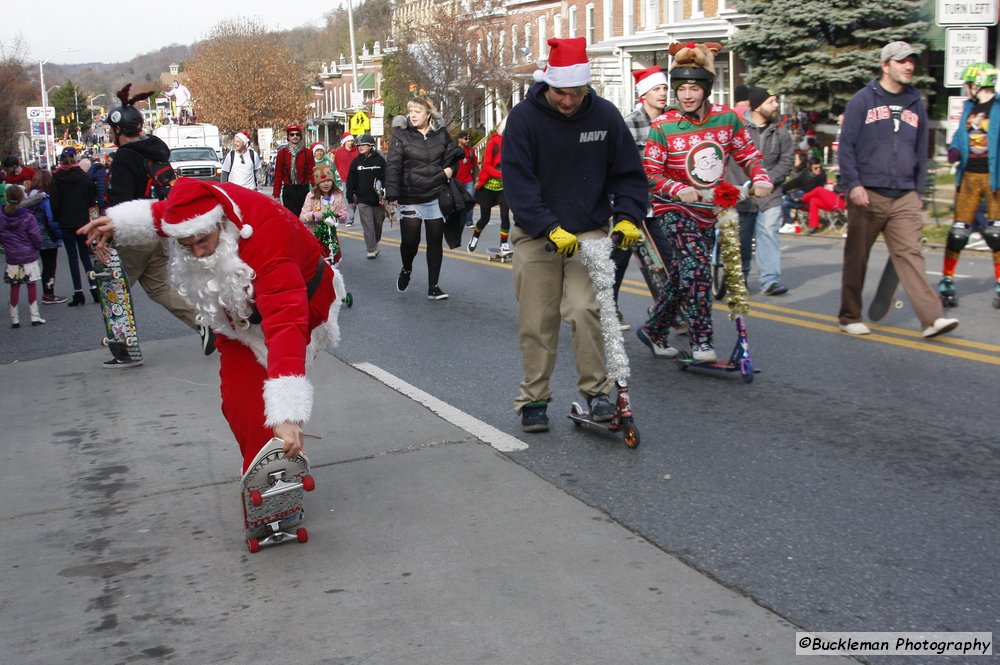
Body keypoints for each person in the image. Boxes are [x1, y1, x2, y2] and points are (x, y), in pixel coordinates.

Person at [80, 178, 344, 473]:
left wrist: (288, 414)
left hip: (304, 304)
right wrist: (117, 224)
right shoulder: (196, 217)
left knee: (273, 410)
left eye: (203, 241)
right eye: (186, 245)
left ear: (222, 222)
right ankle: (268, 468)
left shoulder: (267, 245)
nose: (198, 253)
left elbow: (286, 325)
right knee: (238, 402)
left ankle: (280, 470)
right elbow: (164, 214)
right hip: (237, 316)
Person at [502, 37, 647, 432]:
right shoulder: (523, 119)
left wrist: (628, 215)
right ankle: (534, 398)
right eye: (561, 93)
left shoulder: (604, 116)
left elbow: (629, 175)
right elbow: (519, 184)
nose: (568, 101)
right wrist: (548, 226)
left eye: (576, 93)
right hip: (538, 234)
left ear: (587, 87)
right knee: (538, 319)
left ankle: (597, 392)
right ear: (547, 84)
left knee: (588, 310)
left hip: (589, 231)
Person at [638, 41, 772, 362]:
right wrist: (675, 188)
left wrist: (761, 178)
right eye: (681, 88)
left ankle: (655, 328)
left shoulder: (727, 119)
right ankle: (702, 340)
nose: (686, 94)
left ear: (706, 88)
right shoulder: (663, 126)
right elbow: (650, 173)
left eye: (694, 87)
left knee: (688, 273)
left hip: (710, 209)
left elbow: (748, 154)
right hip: (674, 209)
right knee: (698, 268)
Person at [837, 41, 958, 338]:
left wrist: (917, 191)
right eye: (902, 61)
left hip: (904, 193)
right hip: (868, 193)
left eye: (912, 61)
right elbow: (847, 146)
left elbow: (920, 151)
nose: (909, 66)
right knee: (857, 256)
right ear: (885, 65)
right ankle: (849, 316)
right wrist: (854, 184)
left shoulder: (915, 103)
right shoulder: (863, 100)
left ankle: (932, 318)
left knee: (911, 254)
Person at [104, 84, 210, 365]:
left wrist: (108, 232)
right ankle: (203, 322)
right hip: (157, 229)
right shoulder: (154, 152)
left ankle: (123, 347)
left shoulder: (125, 158)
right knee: (160, 288)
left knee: (115, 289)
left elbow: (121, 201)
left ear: (119, 130)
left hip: (133, 233)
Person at [385, 96, 464, 300]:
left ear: (428, 114)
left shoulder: (441, 133)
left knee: (435, 241)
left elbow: (455, 155)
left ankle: (434, 286)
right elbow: (393, 164)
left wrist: (449, 171)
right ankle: (407, 268)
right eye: (410, 111)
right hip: (410, 195)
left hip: (436, 194)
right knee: (411, 242)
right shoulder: (401, 134)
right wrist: (392, 192)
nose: (412, 115)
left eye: (417, 111)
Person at [613, 65, 671, 330]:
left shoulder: (673, 120)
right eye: (657, 89)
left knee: (668, 259)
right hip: (634, 203)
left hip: (663, 203)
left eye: (664, 88)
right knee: (621, 258)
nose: (662, 93)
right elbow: (622, 165)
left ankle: (669, 310)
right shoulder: (631, 123)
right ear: (643, 94)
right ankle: (609, 308)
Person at [940, 61, 1000, 308]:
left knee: (996, 233)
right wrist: (954, 150)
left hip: (994, 177)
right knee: (958, 232)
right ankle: (947, 280)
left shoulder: (998, 107)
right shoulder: (968, 108)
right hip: (967, 177)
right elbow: (958, 137)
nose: (966, 88)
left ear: (979, 83)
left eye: (968, 84)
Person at [729, 86, 795, 294]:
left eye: (776, 101)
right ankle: (741, 278)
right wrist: (741, 187)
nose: (776, 106)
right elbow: (728, 160)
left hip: (770, 195)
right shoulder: (737, 128)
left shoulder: (781, 132)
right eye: (771, 102)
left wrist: (766, 180)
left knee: (769, 234)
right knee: (742, 240)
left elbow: (787, 161)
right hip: (743, 194)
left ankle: (770, 280)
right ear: (757, 106)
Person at [49, 147, 98, 307]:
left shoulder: (56, 178)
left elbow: (54, 202)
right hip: (83, 220)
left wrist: (58, 218)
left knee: (72, 257)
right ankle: (94, 288)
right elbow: (92, 199)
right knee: (85, 254)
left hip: (66, 221)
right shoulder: (83, 177)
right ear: (75, 158)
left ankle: (78, 292)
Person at [0, 185, 46, 328]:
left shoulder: (1, 216)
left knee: (15, 286)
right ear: (22, 198)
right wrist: (37, 247)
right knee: (31, 284)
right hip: (28, 255)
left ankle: (15, 319)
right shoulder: (27, 216)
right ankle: (34, 316)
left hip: (12, 256)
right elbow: (36, 236)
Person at [22, 169, 67, 304]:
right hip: (47, 234)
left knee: (43, 264)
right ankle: (49, 293)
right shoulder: (45, 198)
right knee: (50, 265)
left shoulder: (31, 197)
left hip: (35, 233)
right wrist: (58, 233)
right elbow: (51, 218)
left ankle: (46, 292)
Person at [466, 120, 511, 254]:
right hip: (488, 187)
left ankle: (503, 244)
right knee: (484, 219)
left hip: (503, 188)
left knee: (505, 216)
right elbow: (486, 166)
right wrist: (501, 174)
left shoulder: (513, 144)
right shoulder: (493, 143)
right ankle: (475, 237)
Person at [345, 134, 387, 259]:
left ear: (371, 146)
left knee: (378, 223)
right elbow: (350, 181)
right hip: (362, 199)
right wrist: (350, 197)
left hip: (378, 199)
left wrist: (386, 194)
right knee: (368, 225)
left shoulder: (380, 160)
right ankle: (371, 248)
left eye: (363, 145)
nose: (360, 147)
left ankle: (375, 241)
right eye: (358, 145)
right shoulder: (356, 162)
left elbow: (386, 177)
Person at [300, 164, 348, 263]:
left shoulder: (338, 196)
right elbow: (302, 217)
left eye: (328, 181)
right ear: (317, 183)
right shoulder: (311, 196)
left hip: (331, 237)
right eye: (322, 182)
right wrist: (312, 215)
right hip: (314, 236)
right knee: (318, 266)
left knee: (332, 264)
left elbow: (342, 215)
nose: (326, 184)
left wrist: (343, 217)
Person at [272, 123, 314, 217]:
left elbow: (312, 173)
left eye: (297, 134)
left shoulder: (308, 153)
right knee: (292, 217)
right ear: (288, 137)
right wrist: (276, 195)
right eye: (292, 134)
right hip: (289, 190)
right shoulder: (282, 153)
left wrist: (317, 191)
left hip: (304, 190)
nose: (295, 137)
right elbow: (278, 175)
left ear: (300, 136)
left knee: (304, 218)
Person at [779, 155, 828, 232]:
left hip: (810, 200)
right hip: (800, 199)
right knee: (784, 203)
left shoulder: (822, 175)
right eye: (816, 168)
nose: (818, 170)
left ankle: (788, 198)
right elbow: (794, 182)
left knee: (799, 193)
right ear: (810, 167)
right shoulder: (805, 173)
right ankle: (789, 223)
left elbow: (820, 189)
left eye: (820, 167)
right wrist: (782, 188)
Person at [454, 130, 478, 228]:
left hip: (468, 180)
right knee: (457, 202)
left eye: (468, 138)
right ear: (459, 139)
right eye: (465, 138)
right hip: (456, 180)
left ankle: (469, 221)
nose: (467, 140)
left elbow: (475, 164)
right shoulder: (454, 149)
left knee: (470, 200)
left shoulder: (471, 150)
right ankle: (456, 221)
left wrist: (477, 177)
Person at [333, 133, 358, 225]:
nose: (350, 143)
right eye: (348, 141)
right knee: (348, 199)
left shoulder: (357, 151)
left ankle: (352, 214)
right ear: (344, 142)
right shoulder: (339, 152)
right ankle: (350, 219)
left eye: (351, 141)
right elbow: (335, 165)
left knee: (356, 198)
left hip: (357, 179)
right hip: (344, 179)